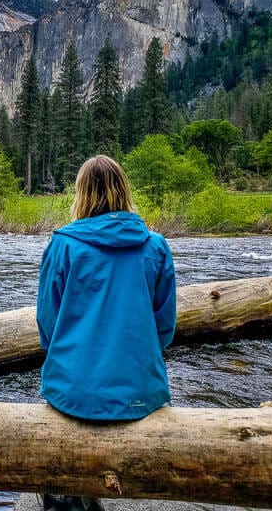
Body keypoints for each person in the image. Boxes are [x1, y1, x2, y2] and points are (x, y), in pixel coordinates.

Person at [36, 155, 177, 511]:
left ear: (81, 193)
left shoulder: (63, 245)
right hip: (140, 392)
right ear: (124, 190)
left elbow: (48, 325)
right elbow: (165, 327)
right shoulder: (156, 246)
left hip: (72, 391)